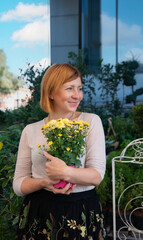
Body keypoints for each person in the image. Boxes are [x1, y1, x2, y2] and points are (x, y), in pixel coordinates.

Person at [13, 63, 106, 240]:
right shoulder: (31, 130)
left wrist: (65, 172)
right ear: (50, 93)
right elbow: (18, 185)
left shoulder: (90, 122)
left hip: (81, 209)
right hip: (41, 211)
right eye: (69, 88)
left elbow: (96, 176)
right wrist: (44, 182)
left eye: (79, 88)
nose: (77, 95)